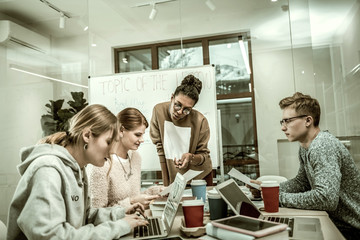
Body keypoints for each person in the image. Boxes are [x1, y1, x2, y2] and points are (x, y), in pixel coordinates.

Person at [7, 104, 148, 240]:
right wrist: (118, 227)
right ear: (87, 135)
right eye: (108, 142)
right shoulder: (48, 170)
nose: (112, 150)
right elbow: (51, 236)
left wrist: (121, 213)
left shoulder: (78, 169)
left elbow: (85, 216)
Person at [251, 92, 360, 239]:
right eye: (282, 122)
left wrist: (278, 198)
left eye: (287, 121)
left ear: (308, 120)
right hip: (336, 222)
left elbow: (326, 198)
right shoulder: (305, 147)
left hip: (351, 229)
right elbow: (302, 183)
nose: (283, 128)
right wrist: (268, 190)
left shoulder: (322, 145)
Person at [90, 107, 163, 209]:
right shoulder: (102, 164)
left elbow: (134, 196)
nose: (142, 140)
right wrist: (131, 202)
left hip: (136, 219)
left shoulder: (136, 157)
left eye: (142, 135)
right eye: (137, 135)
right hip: (116, 224)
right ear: (121, 130)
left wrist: (156, 191)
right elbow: (97, 213)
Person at [150, 74, 213, 186]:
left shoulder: (200, 121)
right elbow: (160, 149)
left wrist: (191, 157)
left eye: (187, 110)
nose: (180, 112)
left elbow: (203, 156)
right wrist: (166, 184)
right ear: (172, 98)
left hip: (198, 177)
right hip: (174, 178)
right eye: (177, 105)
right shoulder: (159, 111)